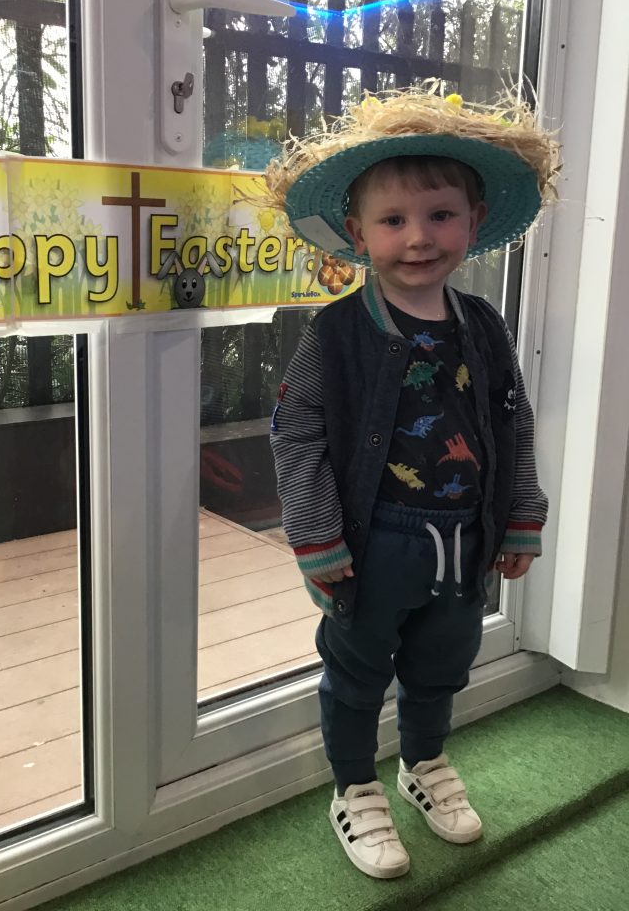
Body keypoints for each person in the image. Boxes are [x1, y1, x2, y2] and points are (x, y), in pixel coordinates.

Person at [266, 87, 559, 879]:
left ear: (474, 219)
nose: (419, 237)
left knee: (441, 665)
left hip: (466, 541)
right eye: (394, 220)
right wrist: (317, 538)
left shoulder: (484, 326)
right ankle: (354, 788)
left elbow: (512, 422)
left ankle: (424, 764)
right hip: (372, 547)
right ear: (358, 232)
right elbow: (295, 434)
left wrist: (521, 514)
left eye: (440, 215)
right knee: (357, 671)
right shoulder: (335, 333)